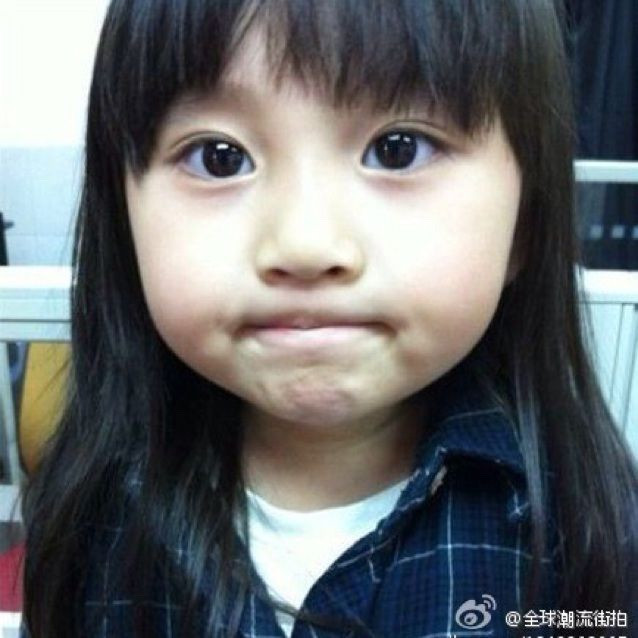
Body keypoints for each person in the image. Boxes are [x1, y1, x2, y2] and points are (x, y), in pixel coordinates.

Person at [20, 1, 638, 637]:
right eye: (219, 157)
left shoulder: (590, 533)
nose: (305, 245)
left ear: (524, 223)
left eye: (398, 150)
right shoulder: (89, 515)